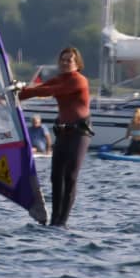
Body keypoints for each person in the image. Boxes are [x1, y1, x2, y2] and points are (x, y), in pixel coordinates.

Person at [18, 46, 91, 227]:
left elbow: (47, 91)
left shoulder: (79, 81)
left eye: (70, 60)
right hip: (62, 133)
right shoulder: (59, 79)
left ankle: (62, 222)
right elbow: (36, 90)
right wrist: (11, 95)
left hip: (79, 133)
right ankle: (54, 220)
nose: (66, 63)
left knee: (70, 177)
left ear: (77, 63)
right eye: (63, 60)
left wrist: (25, 89)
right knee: (55, 177)